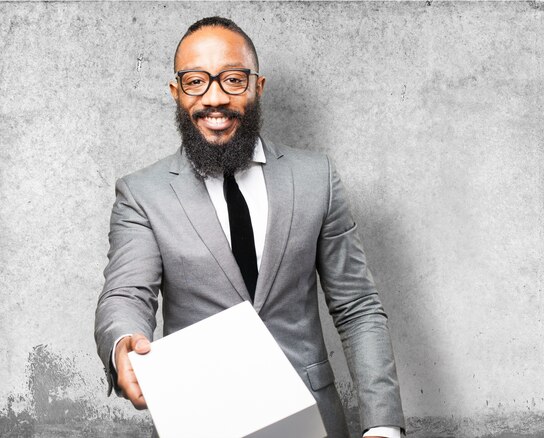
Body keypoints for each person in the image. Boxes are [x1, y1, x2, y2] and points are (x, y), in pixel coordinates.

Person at [94, 16, 405, 438]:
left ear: (258, 87)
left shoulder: (316, 177)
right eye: (196, 82)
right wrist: (124, 343)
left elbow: (357, 308)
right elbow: (127, 293)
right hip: (199, 421)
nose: (214, 98)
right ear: (176, 92)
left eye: (233, 80)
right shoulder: (141, 193)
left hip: (313, 421)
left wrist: (383, 425)